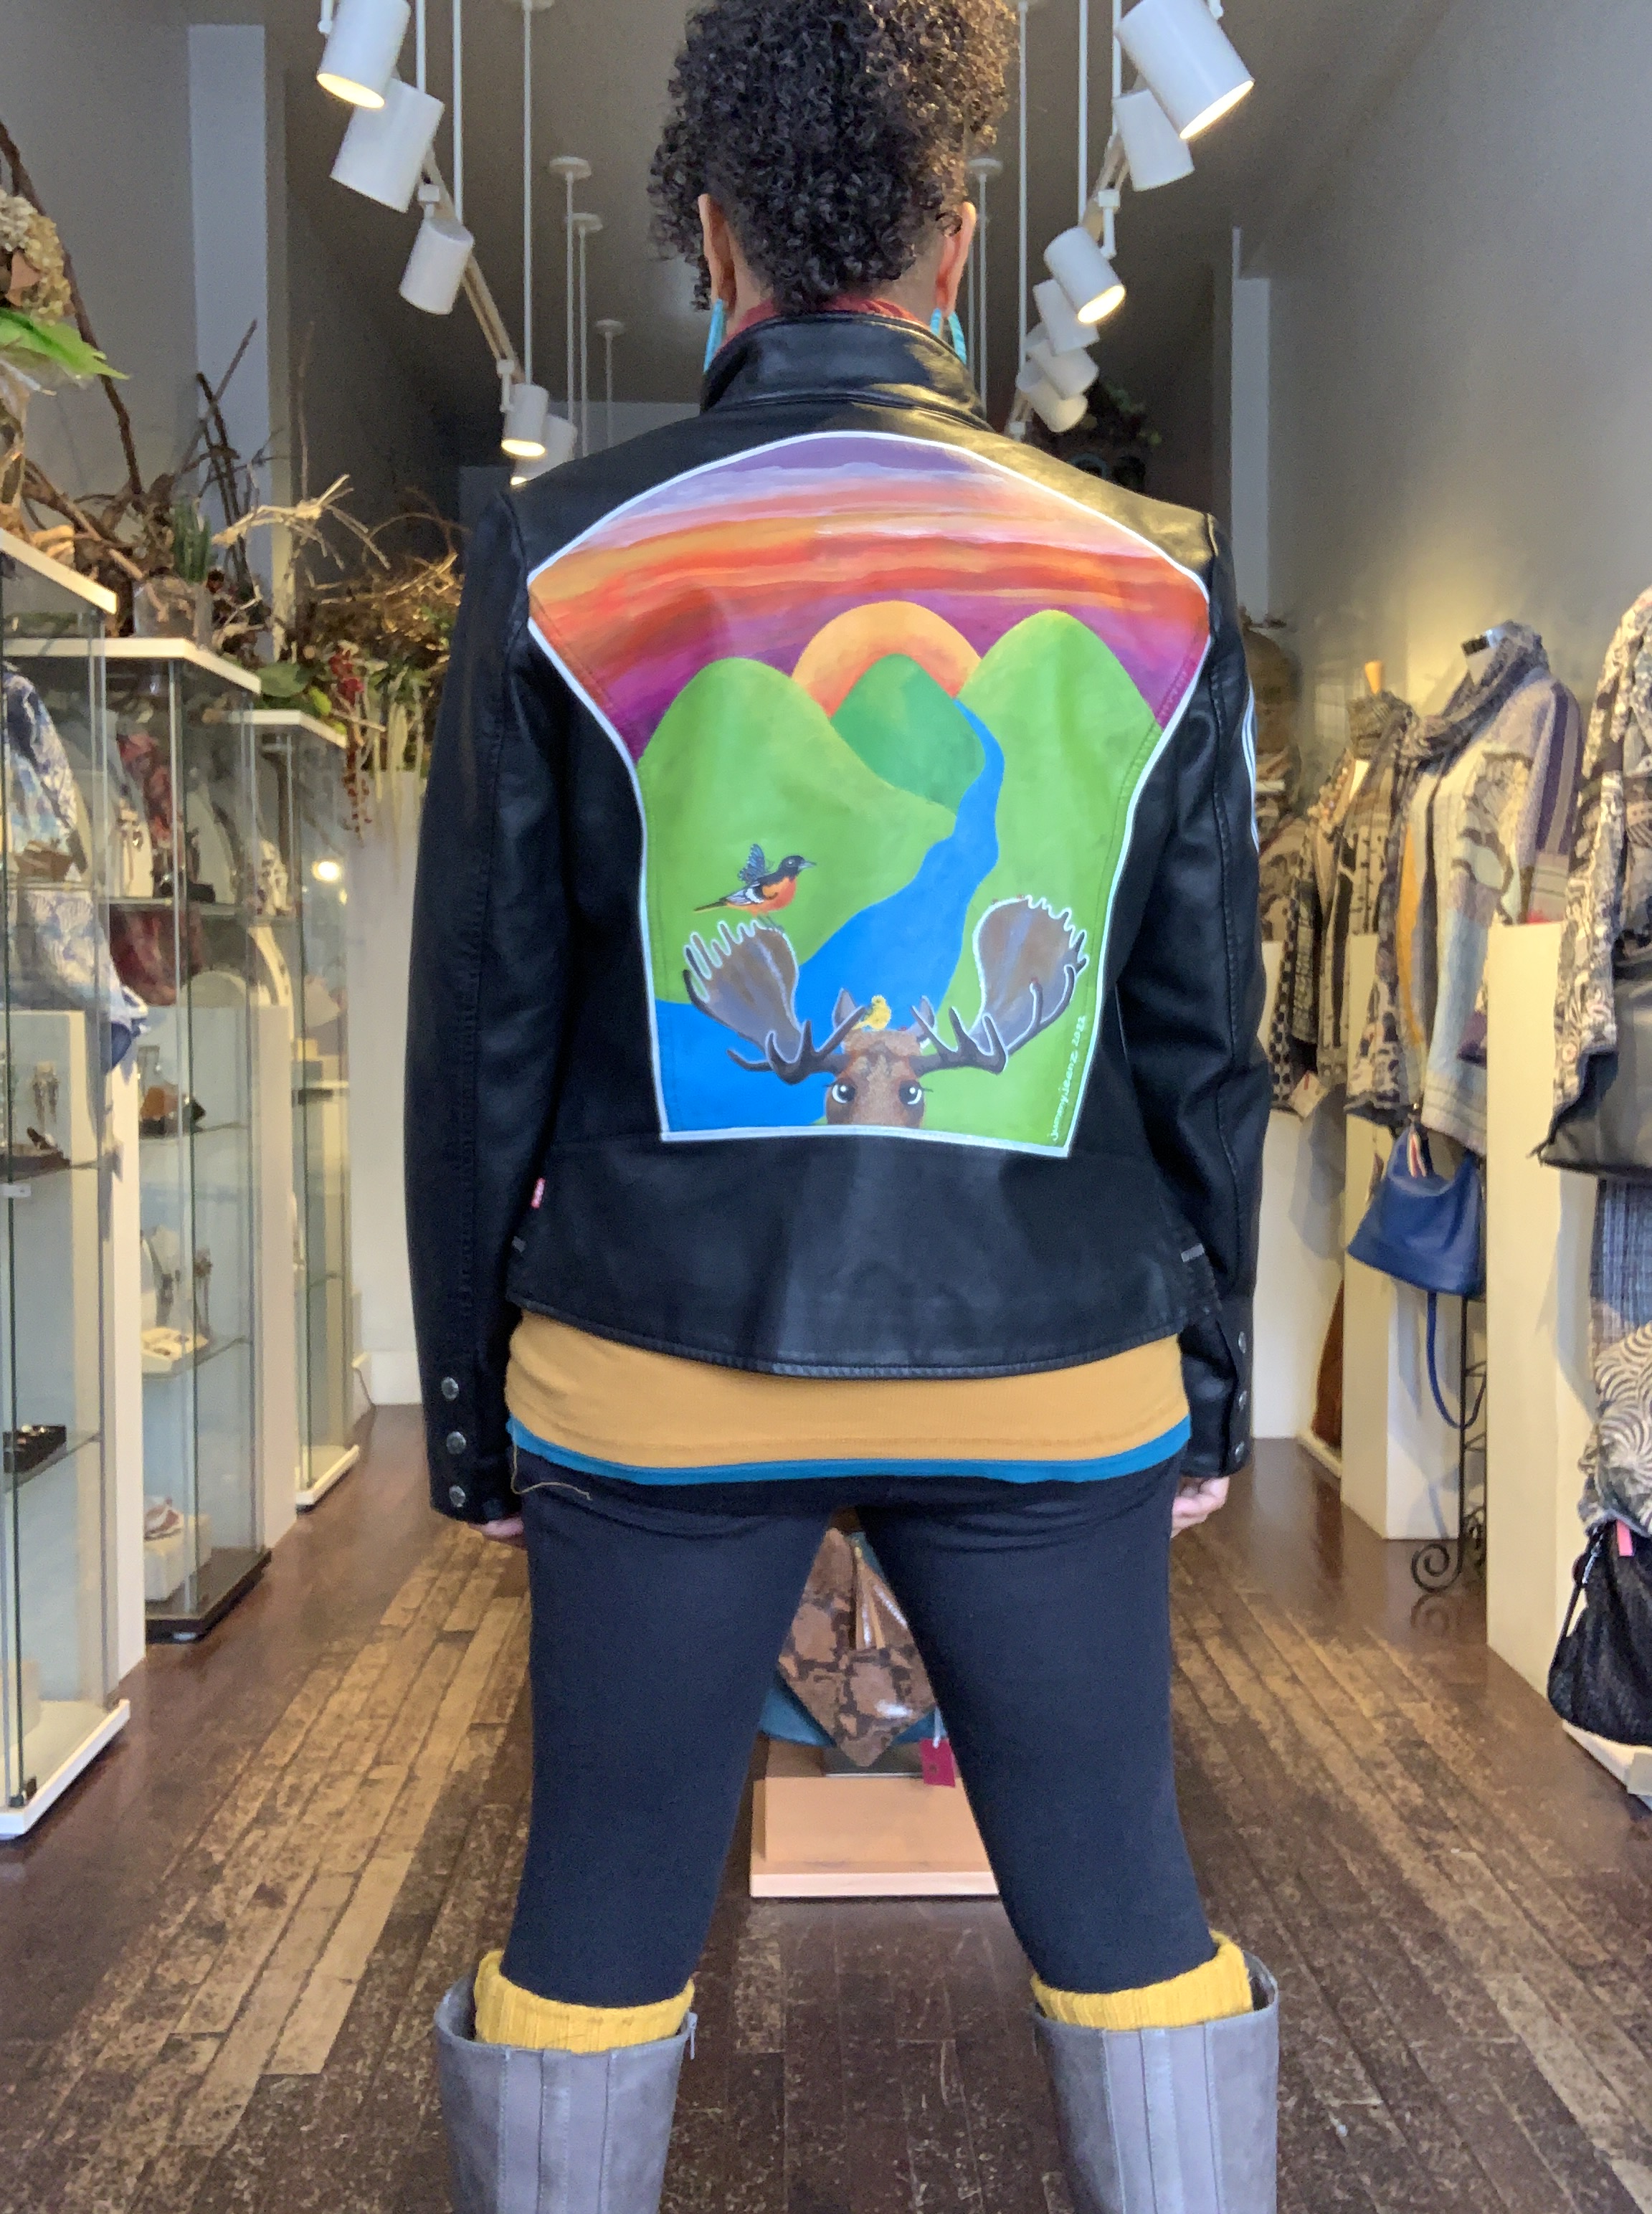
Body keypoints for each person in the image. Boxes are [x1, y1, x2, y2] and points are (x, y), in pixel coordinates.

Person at [406, 0, 1276, 2205]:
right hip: (1058, 1365)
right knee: (1128, 1912)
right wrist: (1213, 1379)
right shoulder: (1157, 573)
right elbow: (1202, 1038)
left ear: (710, 235)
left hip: (654, 1361)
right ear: (959, 245)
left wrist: (467, 1416)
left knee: (597, 1917)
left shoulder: (559, 556)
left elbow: (485, 1029)